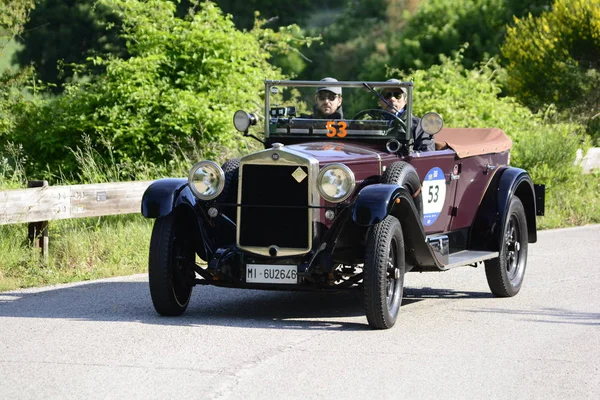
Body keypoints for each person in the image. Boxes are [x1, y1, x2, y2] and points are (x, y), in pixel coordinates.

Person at [379, 78, 434, 152]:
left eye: (397, 95)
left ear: (405, 100)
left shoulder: (419, 125)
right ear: (380, 100)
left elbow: (427, 154)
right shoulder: (369, 123)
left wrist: (408, 153)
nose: (392, 99)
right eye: (387, 95)